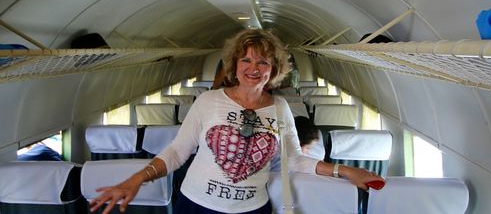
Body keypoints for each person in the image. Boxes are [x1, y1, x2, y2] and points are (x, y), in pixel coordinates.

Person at [89, 29, 384, 214]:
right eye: (246, 60)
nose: (253, 69)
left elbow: (293, 160)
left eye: (263, 62)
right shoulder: (209, 101)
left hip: (251, 208)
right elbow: (178, 152)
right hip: (196, 205)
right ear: (234, 65)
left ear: (274, 69)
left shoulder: (281, 109)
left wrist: (344, 171)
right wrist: (135, 179)